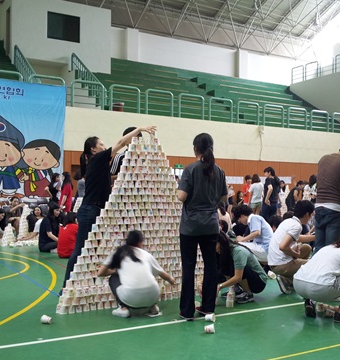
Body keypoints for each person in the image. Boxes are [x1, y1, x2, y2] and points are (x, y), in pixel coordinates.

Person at [62, 126, 157, 291]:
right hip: (90, 210)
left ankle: (83, 284)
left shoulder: (98, 164)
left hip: (96, 210)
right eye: (101, 144)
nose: (104, 146)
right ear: (93, 149)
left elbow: (108, 180)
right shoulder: (97, 158)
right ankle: (65, 287)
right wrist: (139, 129)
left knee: (91, 250)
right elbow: (120, 143)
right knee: (81, 250)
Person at [177, 133, 227, 319]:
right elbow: (224, 198)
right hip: (211, 225)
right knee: (210, 265)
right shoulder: (219, 171)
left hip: (190, 226)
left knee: (188, 267)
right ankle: (208, 307)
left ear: (195, 149)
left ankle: (187, 310)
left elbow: (181, 196)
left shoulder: (190, 170)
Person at [97, 230, 175, 318]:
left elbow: (100, 273)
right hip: (153, 296)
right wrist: (171, 280)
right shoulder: (146, 254)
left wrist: (117, 271)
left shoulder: (118, 252)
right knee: (148, 275)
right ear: (139, 242)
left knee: (113, 278)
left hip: (131, 298)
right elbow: (163, 274)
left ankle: (124, 308)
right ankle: (152, 306)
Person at [267, 200, 315, 294]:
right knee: (312, 265)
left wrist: (315, 237)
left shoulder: (288, 221)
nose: (311, 218)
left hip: (273, 261)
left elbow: (297, 237)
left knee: (306, 248)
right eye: (311, 215)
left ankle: (289, 278)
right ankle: (288, 280)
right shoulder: (297, 226)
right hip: (280, 264)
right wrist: (295, 254)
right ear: (306, 214)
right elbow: (283, 247)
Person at [216, 232, 268, 304]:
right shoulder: (224, 252)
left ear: (221, 243)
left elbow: (238, 277)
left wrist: (220, 286)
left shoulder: (238, 251)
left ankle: (248, 294)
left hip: (259, 282)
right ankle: (236, 290)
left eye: (215, 244)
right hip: (248, 278)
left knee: (238, 267)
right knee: (224, 264)